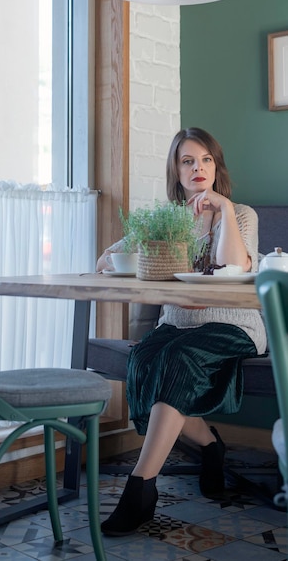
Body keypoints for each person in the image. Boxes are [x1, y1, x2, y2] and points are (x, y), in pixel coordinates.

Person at [97, 127, 267, 537]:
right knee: (144, 359)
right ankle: (210, 445)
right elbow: (105, 259)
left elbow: (235, 268)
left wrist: (223, 210)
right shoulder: (167, 218)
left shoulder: (241, 213)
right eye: (188, 161)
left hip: (234, 324)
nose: (198, 168)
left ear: (216, 165)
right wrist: (147, 247)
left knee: (176, 360)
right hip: (176, 322)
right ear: (175, 169)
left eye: (205, 159)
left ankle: (140, 489)